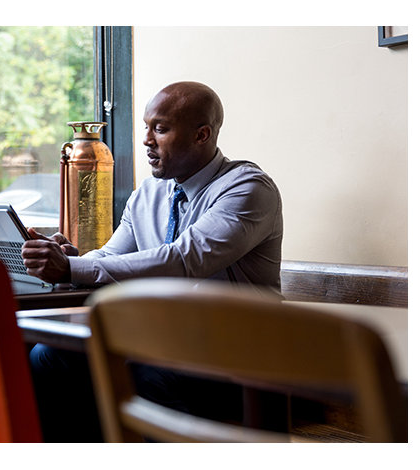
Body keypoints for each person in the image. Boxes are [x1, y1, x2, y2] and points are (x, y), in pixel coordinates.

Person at [22, 81, 284, 442]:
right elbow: (112, 256)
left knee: (141, 377)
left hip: (238, 361)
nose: (146, 140)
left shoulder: (248, 188)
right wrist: (71, 259)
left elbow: (184, 259)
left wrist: (71, 269)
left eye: (160, 129)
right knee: (48, 355)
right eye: (146, 127)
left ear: (202, 135)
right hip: (164, 344)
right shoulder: (148, 192)